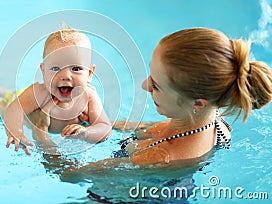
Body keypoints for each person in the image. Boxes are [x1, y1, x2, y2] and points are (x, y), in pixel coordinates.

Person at [109, 27, 271, 166]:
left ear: (199, 104)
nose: (145, 85)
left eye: (156, 86)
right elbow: (151, 129)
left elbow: (88, 173)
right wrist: (103, 123)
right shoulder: (213, 123)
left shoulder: (161, 156)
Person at [0, 28, 112, 155]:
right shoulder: (39, 93)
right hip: (17, 100)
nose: (65, 76)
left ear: (90, 74)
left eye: (76, 68)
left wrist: (87, 133)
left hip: (23, 98)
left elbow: (104, 127)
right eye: (55, 68)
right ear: (43, 71)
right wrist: (16, 131)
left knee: (14, 96)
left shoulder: (89, 96)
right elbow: (14, 109)